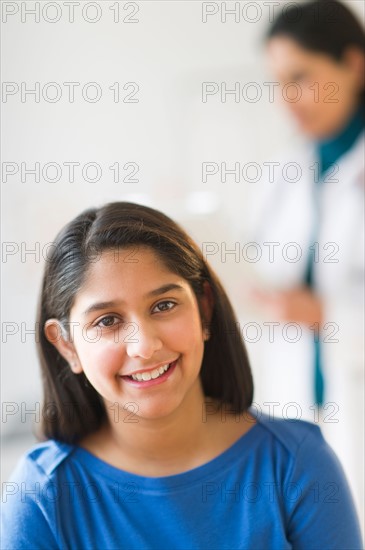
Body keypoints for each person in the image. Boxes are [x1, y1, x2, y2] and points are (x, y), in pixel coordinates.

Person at [1, 201, 363, 549]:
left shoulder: (296, 464)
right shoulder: (44, 496)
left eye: (164, 305)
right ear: (67, 346)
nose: (144, 345)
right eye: (107, 321)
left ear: (204, 309)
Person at [248, 0, 364, 533]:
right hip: (298, 400)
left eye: (301, 78)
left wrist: (328, 313)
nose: (287, 100)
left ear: (353, 63)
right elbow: (260, 263)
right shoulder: (285, 170)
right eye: (278, 82)